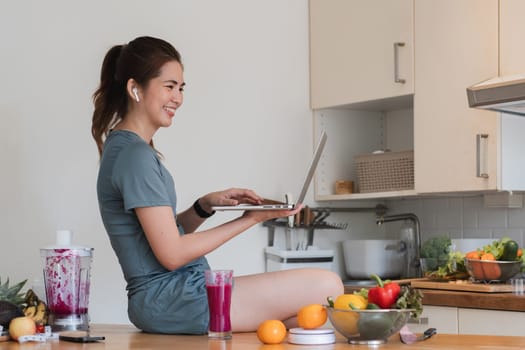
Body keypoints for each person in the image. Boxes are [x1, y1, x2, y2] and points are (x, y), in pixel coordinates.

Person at [91, 36, 343, 334]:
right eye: (169, 86)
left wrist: (204, 206)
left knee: (304, 318)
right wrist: (251, 219)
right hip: (174, 299)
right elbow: (171, 254)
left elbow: (159, 236)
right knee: (327, 286)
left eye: (181, 88)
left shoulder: (127, 149)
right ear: (135, 88)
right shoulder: (135, 156)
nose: (178, 98)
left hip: (173, 296)